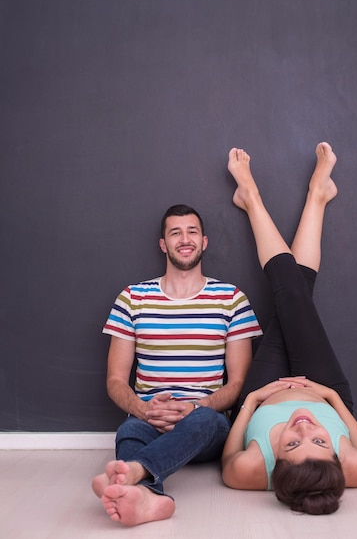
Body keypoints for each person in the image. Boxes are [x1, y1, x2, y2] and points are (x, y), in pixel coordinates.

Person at [222, 143, 357, 515]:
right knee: (295, 296)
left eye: (292, 444)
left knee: (294, 295)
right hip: (323, 388)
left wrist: (255, 400)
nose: (304, 428)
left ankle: (292, 197)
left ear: (276, 464)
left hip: (264, 390)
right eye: (321, 442)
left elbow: (228, 454)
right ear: (335, 459)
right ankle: (269, 198)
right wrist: (328, 396)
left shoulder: (249, 472)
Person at [92, 204, 262, 526]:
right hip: (149, 416)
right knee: (128, 430)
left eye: (192, 232)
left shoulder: (231, 299)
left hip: (206, 423)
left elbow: (239, 383)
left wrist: (197, 406)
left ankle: (135, 474)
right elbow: (115, 380)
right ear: (163, 244)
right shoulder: (132, 298)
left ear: (204, 241)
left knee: (207, 421)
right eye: (175, 232)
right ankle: (144, 497)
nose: (185, 239)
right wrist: (144, 410)